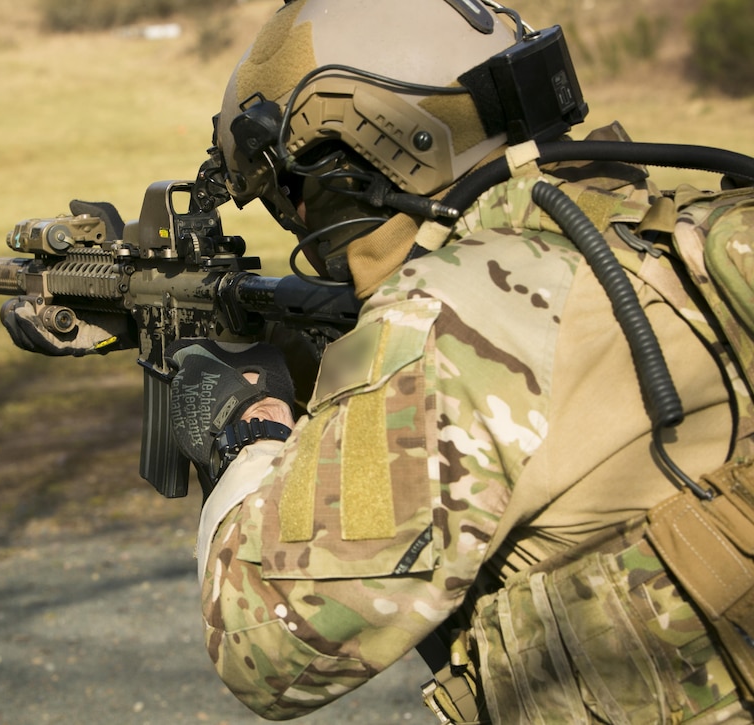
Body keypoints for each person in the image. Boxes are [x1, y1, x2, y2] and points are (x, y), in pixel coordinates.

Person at [164, 0, 754, 721]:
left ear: (362, 156)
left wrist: (248, 432)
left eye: (294, 193)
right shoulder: (677, 225)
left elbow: (268, 648)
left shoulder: (451, 317)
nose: (303, 222)